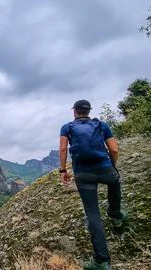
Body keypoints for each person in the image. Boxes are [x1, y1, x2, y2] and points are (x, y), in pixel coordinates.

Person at [59, 100, 127, 270]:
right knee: (114, 182)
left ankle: (102, 261)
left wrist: (63, 170)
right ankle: (116, 215)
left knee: (93, 214)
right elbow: (114, 149)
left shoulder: (67, 127)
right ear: (88, 111)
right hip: (104, 167)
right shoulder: (102, 125)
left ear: (74, 112)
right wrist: (112, 165)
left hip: (83, 173)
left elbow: (62, 149)